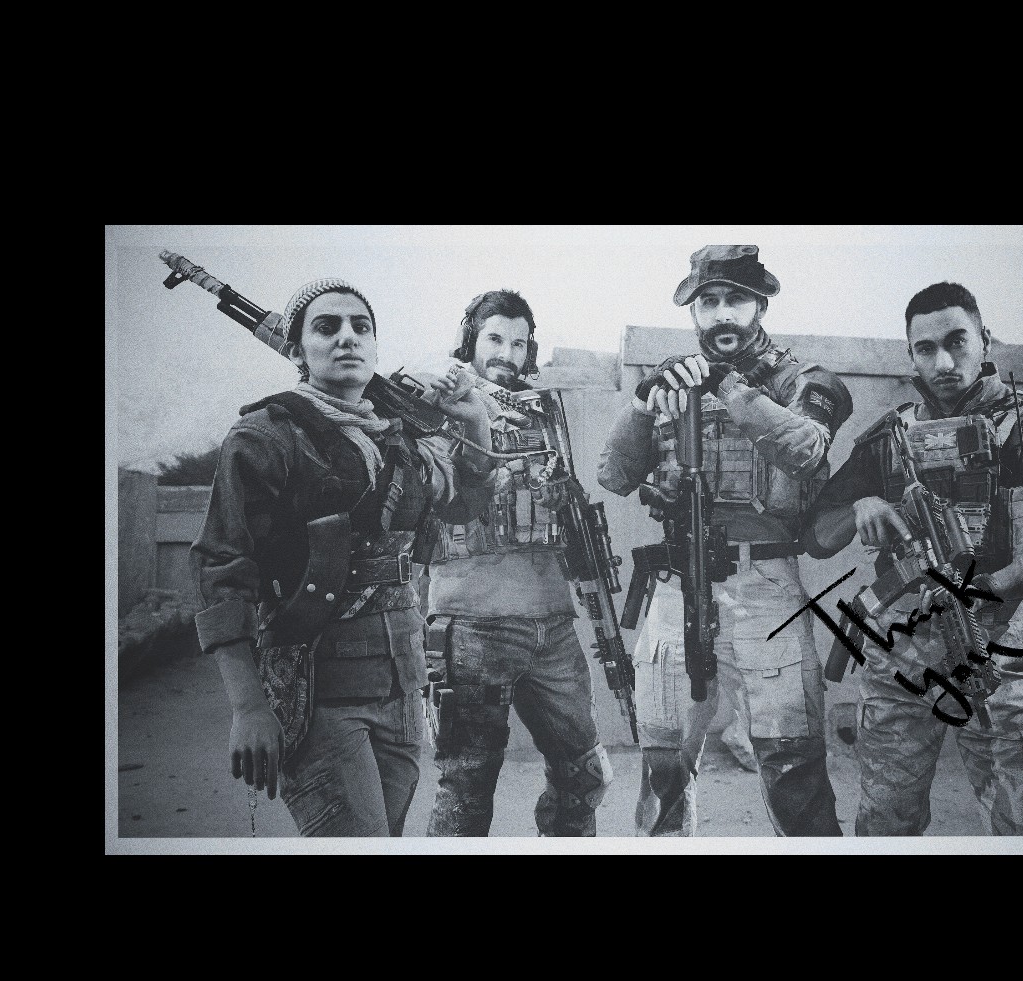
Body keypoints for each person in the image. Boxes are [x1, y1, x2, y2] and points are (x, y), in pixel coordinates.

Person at [190, 278, 492, 837]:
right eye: (326, 327)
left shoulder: (400, 438)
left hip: (401, 688)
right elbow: (221, 567)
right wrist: (248, 706)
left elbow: (464, 506)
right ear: (297, 350)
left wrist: (474, 422)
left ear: (375, 347)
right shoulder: (266, 436)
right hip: (316, 690)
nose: (347, 338)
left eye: (361, 327)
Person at [803, 282, 1023, 835]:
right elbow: (819, 535)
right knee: (885, 821)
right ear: (911, 355)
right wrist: (863, 506)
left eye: (957, 342)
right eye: (926, 348)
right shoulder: (888, 437)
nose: (943, 363)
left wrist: (995, 585)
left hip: (997, 646)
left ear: (985, 339)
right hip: (902, 655)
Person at [597, 244, 851, 836]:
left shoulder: (805, 381)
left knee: (792, 770)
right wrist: (643, 402)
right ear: (693, 312)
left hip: (766, 590)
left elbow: (807, 451)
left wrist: (730, 388)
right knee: (663, 766)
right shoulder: (672, 380)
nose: (722, 314)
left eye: (736, 299)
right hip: (678, 586)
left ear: (760, 305)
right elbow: (614, 475)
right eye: (708, 302)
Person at [422, 290, 612, 836]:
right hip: (472, 623)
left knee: (584, 775)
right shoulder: (440, 397)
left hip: (551, 623)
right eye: (494, 339)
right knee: (467, 787)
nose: (507, 353)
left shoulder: (542, 407)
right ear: (470, 340)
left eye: (519, 343)